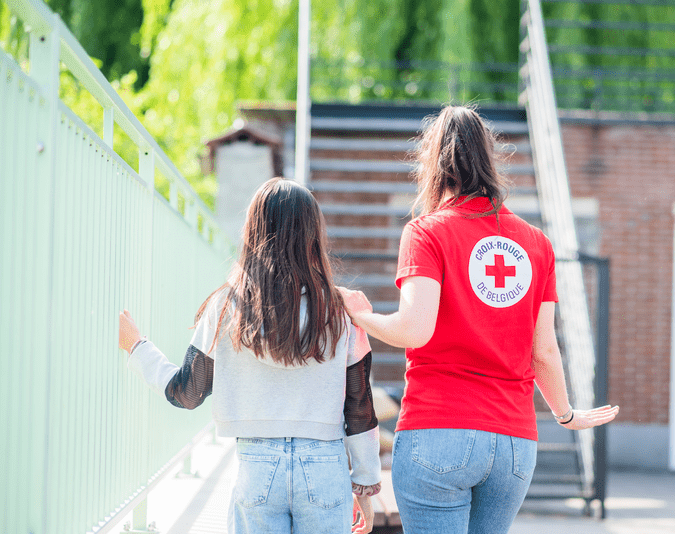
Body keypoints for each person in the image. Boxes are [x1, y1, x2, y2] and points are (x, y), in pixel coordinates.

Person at [339, 106, 619, 534]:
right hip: (514, 442)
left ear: (433, 163)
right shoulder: (536, 244)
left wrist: (363, 316)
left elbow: (415, 329)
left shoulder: (427, 232)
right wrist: (564, 414)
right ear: (489, 160)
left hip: (439, 429)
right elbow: (543, 351)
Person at [118, 177, 381, 534]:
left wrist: (137, 348)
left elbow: (188, 391)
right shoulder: (341, 309)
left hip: (257, 465)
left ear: (253, 232)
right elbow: (359, 403)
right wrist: (365, 484)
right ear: (313, 236)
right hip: (324, 463)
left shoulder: (228, 307)